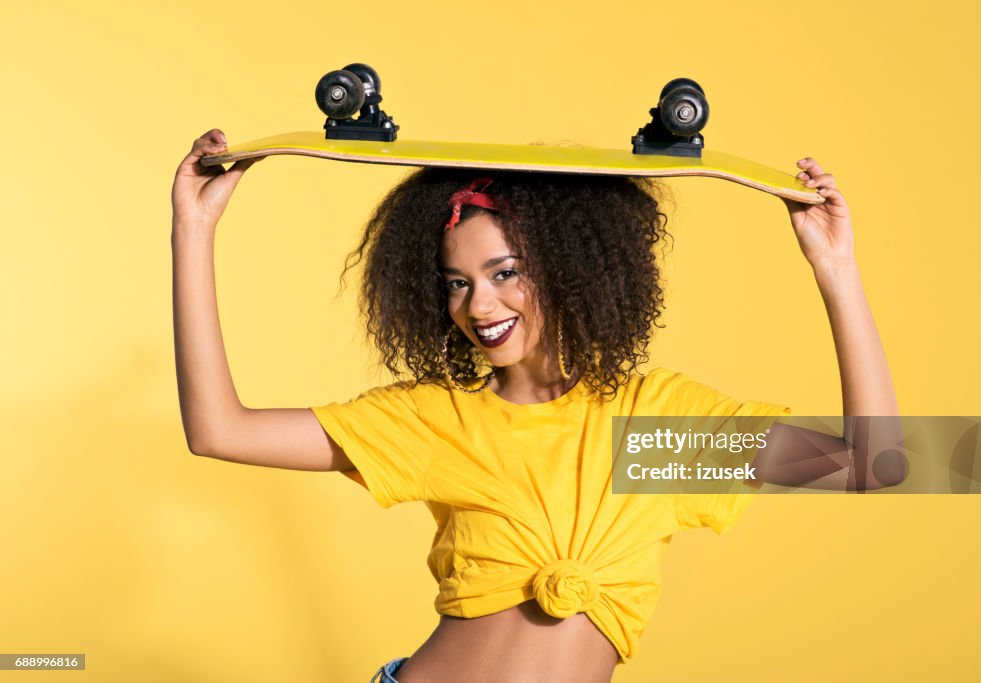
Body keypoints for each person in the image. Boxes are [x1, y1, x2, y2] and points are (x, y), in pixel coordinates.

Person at [172, 129, 900, 682]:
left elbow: (876, 463)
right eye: (456, 282)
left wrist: (837, 271)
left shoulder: (651, 433)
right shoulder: (438, 420)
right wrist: (194, 229)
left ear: (566, 267)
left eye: (504, 272)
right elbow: (218, 429)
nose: (478, 304)